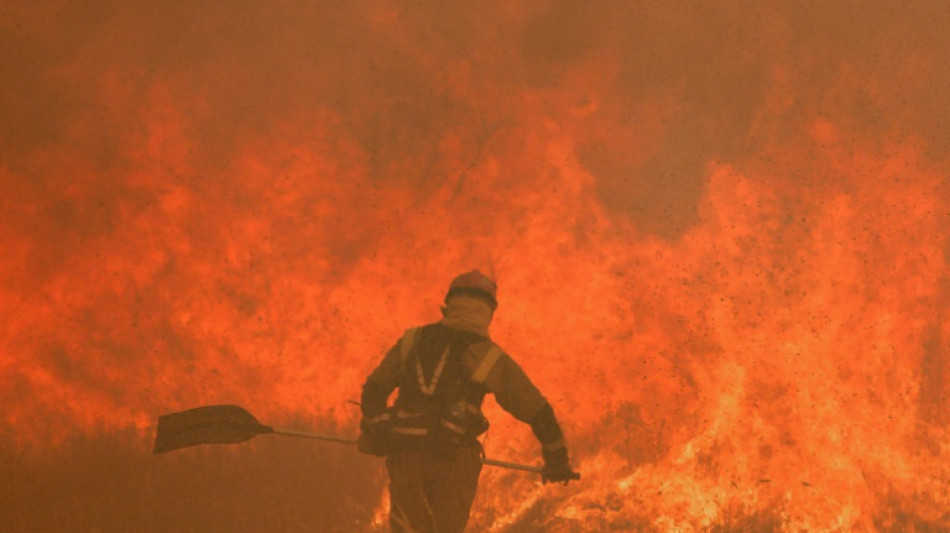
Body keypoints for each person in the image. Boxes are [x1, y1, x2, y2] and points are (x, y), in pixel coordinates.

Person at [358, 270, 577, 533]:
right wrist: (557, 461)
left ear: (448, 304)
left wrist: (377, 429)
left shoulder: (413, 340)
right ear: (489, 311)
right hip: (454, 460)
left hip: (406, 457)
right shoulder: (487, 355)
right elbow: (537, 410)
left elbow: (373, 391)